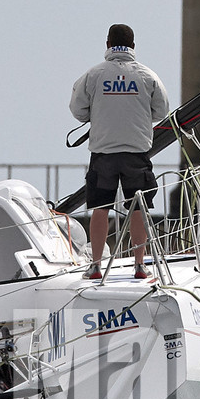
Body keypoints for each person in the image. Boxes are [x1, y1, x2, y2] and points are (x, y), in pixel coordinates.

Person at [69, 23, 169, 282]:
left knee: (100, 207)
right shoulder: (147, 76)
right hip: (136, 151)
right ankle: (139, 265)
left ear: (107, 44)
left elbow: (77, 110)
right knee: (139, 207)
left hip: (103, 152)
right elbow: (161, 111)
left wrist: (99, 113)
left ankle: (95, 266)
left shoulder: (93, 75)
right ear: (133, 46)